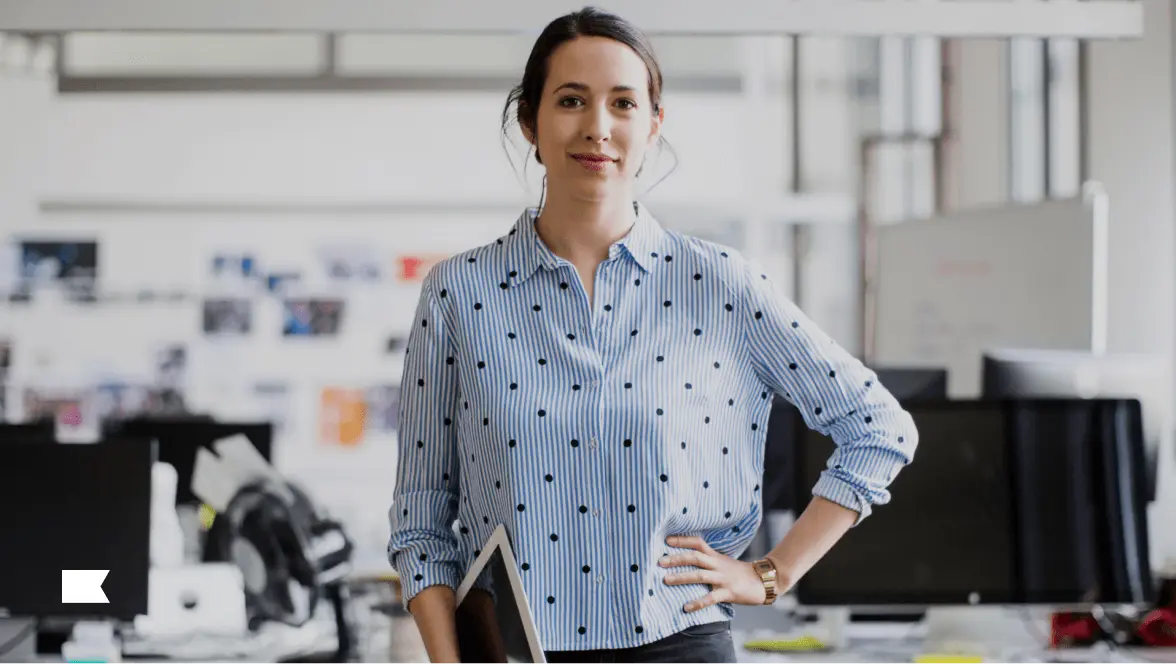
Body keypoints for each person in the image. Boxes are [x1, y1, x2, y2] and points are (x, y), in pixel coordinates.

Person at [387, 7, 920, 663]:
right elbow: (419, 522)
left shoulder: (720, 284)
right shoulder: (457, 294)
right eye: (571, 100)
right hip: (520, 649)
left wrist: (770, 574)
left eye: (623, 103)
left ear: (653, 124)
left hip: (681, 641)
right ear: (530, 120)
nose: (598, 128)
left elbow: (879, 428)